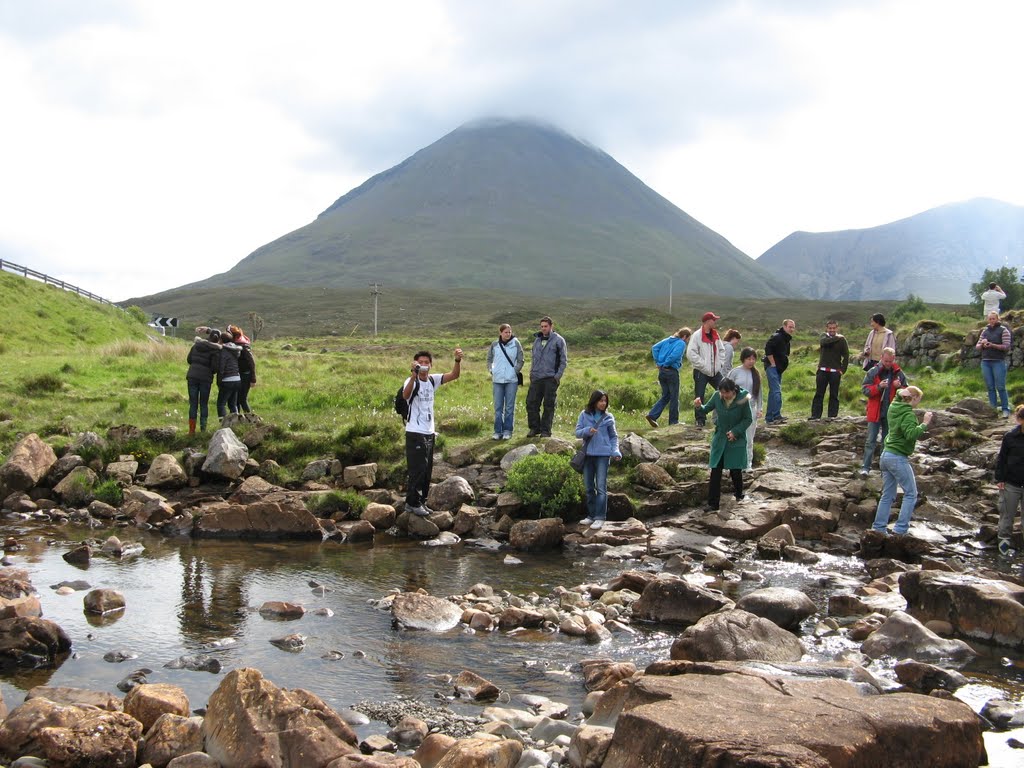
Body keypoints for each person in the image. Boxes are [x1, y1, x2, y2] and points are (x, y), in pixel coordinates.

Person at [402, 347, 463, 516]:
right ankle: (412, 503)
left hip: (429, 432)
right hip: (415, 432)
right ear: (415, 365)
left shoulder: (432, 380)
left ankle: (422, 501)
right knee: (417, 469)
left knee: (427, 469)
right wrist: (413, 376)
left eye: (426, 363)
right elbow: (406, 396)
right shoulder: (410, 381)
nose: (423, 365)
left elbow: (454, 375)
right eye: (420, 363)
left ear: (431, 365)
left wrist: (457, 360)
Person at [871, 386, 933, 535]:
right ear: (914, 398)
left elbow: (897, 395)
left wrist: (902, 391)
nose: (919, 402)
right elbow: (911, 434)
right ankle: (900, 530)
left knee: (887, 495)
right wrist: (924, 423)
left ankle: (878, 529)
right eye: (918, 399)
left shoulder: (894, 406)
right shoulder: (908, 415)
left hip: (885, 455)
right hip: (897, 457)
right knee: (911, 494)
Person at [694, 378, 753, 511]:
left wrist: (736, 432)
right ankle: (713, 504)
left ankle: (739, 494)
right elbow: (705, 409)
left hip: (736, 439)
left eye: (727, 393)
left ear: (734, 390)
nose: (724, 395)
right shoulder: (717, 396)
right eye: (722, 392)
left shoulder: (743, 398)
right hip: (720, 438)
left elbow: (748, 419)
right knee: (716, 470)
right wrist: (698, 406)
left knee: (735, 469)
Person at [574, 390, 622, 530]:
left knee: (601, 487)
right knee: (589, 487)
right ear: (594, 401)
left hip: (603, 455)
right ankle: (591, 516)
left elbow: (614, 437)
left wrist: (615, 451)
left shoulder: (608, 417)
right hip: (588, 455)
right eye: (601, 400)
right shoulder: (584, 414)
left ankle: (600, 517)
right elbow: (577, 432)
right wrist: (588, 430)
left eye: (605, 401)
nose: (603, 403)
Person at [860, 347, 906, 477]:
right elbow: (864, 390)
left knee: (887, 442)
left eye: (890, 361)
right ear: (881, 358)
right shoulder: (873, 372)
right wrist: (879, 387)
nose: (888, 364)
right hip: (875, 411)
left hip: (891, 413)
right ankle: (865, 468)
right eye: (886, 361)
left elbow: (907, 393)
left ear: (894, 359)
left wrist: (899, 388)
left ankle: (884, 470)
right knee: (871, 440)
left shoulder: (898, 373)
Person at [526, 316, 567, 438]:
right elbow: (534, 358)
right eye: (542, 326)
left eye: (546, 326)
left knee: (548, 405)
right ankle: (534, 428)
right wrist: (532, 373)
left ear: (551, 326)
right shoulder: (537, 340)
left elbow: (563, 360)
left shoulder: (559, 340)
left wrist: (557, 376)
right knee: (531, 403)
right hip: (536, 377)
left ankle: (545, 431)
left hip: (550, 378)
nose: (543, 328)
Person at [646, 327, 692, 427]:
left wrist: (658, 362)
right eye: (688, 339)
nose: (687, 341)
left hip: (662, 372)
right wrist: (666, 364)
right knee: (674, 396)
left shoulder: (667, 340)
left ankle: (652, 415)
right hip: (671, 371)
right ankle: (673, 421)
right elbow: (674, 355)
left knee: (666, 395)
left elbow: (654, 348)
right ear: (684, 336)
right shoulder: (681, 343)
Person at [687, 312, 726, 427]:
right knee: (699, 396)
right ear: (707, 321)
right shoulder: (697, 336)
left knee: (725, 390)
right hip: (701, 371)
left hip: (715, 371)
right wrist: (703, 365)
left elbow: (722, 350)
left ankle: (724, 416)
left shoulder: (715, 335)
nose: (715, 322)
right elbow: (690, 353)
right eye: (714, 320)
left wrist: (720, 364)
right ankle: (700, 420)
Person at [995, 405, 1024, 557]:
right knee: (1006, 518)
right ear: (1021, 420)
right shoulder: (1010, 436)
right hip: (1011, 483)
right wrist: (999, 479)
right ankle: (1003, 556)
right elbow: (1002, 458)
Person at [486, 324, 524, 439]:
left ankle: (507, 431)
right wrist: (491, 370)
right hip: (497, 380)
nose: (508, 334)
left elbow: (521, 359)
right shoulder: (495, 344)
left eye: (509, 332)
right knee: (498, 407)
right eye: (506, 332)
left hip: (511, 380)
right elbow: (489, 359)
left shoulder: (516, 343)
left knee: (509, 407)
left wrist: (514, 371)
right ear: (500, 333)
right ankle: (497, 431)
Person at [728, 347, 762, 470]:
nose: (751, 361)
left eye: (753, 359)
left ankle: (747, 464)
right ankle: (731, 463)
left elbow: (759, 393)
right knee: (733, 435)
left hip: (751, 408)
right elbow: (725, 389)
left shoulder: (756, 374)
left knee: (749, 438)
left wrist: (760, 408)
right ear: (743, 359)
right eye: (749, 359)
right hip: (735, 409)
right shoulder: (735, 372)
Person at [810, 320, 849, 420]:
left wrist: (842, 370)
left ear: (837, 328)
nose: (832, 330)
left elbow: (846, 355)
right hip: (822, 370)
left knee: (834, 395)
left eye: (834, 328)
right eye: (830, 328)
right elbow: (824, 342)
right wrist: (838, 337)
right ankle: (815, 416)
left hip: (835, 372)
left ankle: (832, 417)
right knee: (819, 394)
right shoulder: (824, 337)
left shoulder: (842, 340)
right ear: (826, 328)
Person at [185, 328, 222, 434]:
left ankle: (191, 431)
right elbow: (215, 368)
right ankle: (203, 430)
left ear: (208, 337)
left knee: (193, 404)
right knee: (203, 404)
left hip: (192, 376)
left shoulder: (196, 345)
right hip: (205, 379)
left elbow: (189, 360)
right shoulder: (215, 350)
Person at [976, 311, 1012, 418]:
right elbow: (977, 346)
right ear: (988, 320)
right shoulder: (984, 331)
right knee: (990, 387)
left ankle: (1005, 409)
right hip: (986, 361)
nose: (991, 321)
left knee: (1000, 386)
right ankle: (993, 409)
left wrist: (992, 345)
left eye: (993, 318)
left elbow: (1006, 346)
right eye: (990, 319)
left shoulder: (1003, 331)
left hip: (998, 361)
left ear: (997, 319)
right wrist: (982, 344)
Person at [763, 319, 796, 424]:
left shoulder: (786, 339)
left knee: (773, 392)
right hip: (772, 368)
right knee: (776, 392)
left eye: (793, 327)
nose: (792, 329)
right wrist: (772, 363)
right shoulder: (777, 336)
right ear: (784, 326)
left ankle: (769, 417)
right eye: (790, 327)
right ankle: (776, 416)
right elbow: (768, 347)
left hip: (778, 369)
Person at [229, 325, 257, 415]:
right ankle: (238, 420)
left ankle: (250, 419)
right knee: (236, 399)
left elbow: (252, 363)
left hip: (245, 375)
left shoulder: (244, 347)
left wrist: (253, 379)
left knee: (242, 399)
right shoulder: (234, 346)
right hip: (238, 375)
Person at [215, 331, 243, 420]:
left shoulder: (224, 351)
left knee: (221, 404)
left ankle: (223, 425)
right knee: (233, 404)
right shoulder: (235, 350)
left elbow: (221, 368)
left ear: (221, 340)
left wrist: (219, 382)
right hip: (237, 379)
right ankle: (236, 424)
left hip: (227, 380)